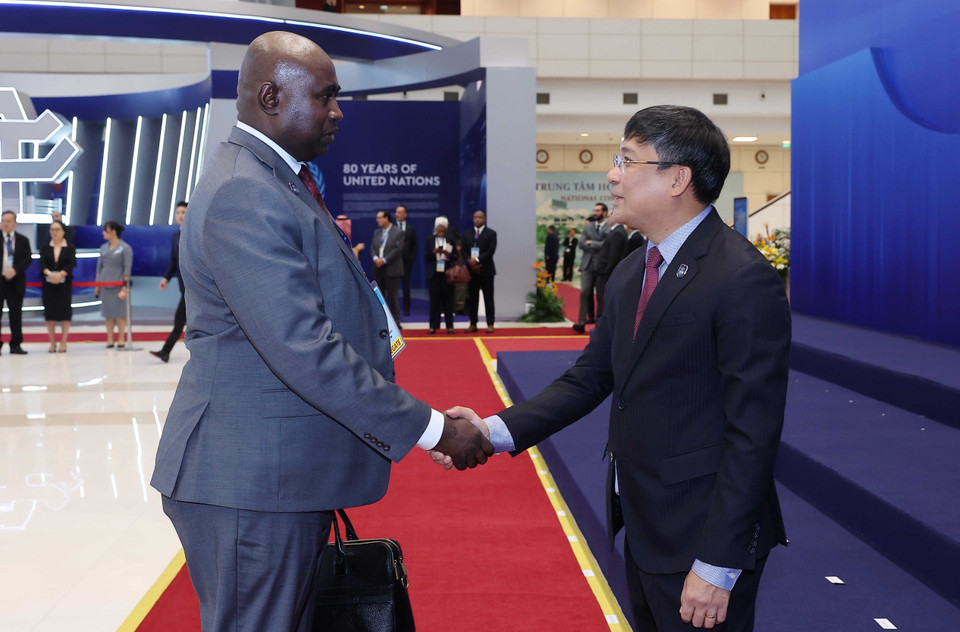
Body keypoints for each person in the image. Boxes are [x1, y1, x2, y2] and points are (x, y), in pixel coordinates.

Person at [149, 31, 491, 632]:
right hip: (250, 483)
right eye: (326, 97)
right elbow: (305, 350)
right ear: (271, 97)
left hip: (275, 477)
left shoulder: (274, 180)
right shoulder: (243, 193)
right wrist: (434, 430)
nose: (338, 113)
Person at [441, 106, 791, 632]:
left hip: (701, 537)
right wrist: (488, 432)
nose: (612, 174)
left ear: (677, 178)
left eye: (626, 161)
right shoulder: (633, 270)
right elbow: (588, 379)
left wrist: (718, 564)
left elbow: (753, 432)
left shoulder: (742, 278)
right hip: (644, 523)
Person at [150, 201, 187, 363]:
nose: (180, 215)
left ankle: (166, 350)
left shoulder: (194, 233)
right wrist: (166, 278)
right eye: (178, 212)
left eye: (184, 212)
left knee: (180, 320)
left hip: (194, 287)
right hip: (183, 286)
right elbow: (174, 260)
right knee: (182, 320)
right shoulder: (176, 236)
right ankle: (166, 351)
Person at [40, 220, 76, 353]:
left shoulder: (70, 247)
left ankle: (64, 342)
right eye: (52, 229)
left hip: (64, 284)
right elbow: (42, 264)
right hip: (48, 285)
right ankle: (52, 342)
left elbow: (71, 264)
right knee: (50, 314)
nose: (54, 232)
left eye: (57, 229)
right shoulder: (45, 248)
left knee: (64, 313)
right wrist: (50, 274)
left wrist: (61, 274)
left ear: (63, 232)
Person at [573, 202, 610, 333]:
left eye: (598, 211)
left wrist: (592, 243)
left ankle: (600, 325)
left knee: (601, 296)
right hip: (587, 265)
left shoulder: (609, 227)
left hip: (601, 267)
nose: (595, 213)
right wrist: (598, 244)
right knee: (584, 293)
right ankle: (581, 322)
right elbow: (581, 244)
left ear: (604, 213)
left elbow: (606, 246)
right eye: (594, 210)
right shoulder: (587, 226)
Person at [96, 221, 133, 348]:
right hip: (105, 284)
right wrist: (98, 285)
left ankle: (121, 338)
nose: (103, 233)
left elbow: (127, 269)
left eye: (105, 230)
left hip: (118, 285)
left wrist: (124, 286)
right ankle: (110, 339)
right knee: (108, 314)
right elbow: (99, 267)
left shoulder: (125, 248)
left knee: (120, 314)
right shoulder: (103, 248)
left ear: (113, 231)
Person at [1, 211, 33, 355]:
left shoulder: (23, 240)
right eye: (3, 221)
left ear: (15, 223)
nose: (5, 223)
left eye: (8, 221)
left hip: (16, 281)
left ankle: (16, 344)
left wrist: (15, 270)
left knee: (16, 314)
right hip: (0, 280)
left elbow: (28, 259)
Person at [461, 209, 497, 334]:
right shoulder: (467, 234)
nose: (478, 219)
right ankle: (473, 324)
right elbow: (464, 251)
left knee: (488, 298)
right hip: (472, 272)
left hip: (486, 270)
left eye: (480, 217)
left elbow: (491, 251)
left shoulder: (491, 233)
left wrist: (476, 259)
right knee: (472, 298)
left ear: (484, 219)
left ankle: (490, 324)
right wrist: (469, 260)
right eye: (475, 217)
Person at [370, 209, 403, 326]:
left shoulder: (398, 232)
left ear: (386, 218)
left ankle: (396, 322)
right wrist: (376, 259)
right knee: (379, 297)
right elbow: (373, 248)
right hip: (378, 269)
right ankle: (381, 322)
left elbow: (397, 250)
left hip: (392, 269)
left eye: (379, 218)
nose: (377, 220)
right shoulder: (377, 232)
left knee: (393, 297)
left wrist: (384, 260)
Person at [424, 220, 456, 334]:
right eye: (439, 231)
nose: (441, 233)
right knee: (434, 301)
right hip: (434, 273)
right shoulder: (430, 240)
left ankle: (450, 326)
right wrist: (434, 252)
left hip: (447, 273)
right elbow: (426, 257)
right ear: (436, 230)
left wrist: (447, 254)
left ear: (446, 230)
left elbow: (455, 256)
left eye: (443, 231)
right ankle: (433, 326)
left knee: (448, 300)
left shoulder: (451, 240)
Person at [594, 221, 628, 319]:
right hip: (606, 273)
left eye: (610, 215)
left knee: (604, 301)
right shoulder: (617, 231)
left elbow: (614, 256)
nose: (609, 218)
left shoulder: (618, 232)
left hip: (606, 274)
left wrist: (605, 271)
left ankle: (601, 327)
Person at [395, 204, 417, 316]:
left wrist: (411, 259)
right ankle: (393, 310)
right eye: (396, 212)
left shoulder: (410, 229)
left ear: (405, 214)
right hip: (393, 263)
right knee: (392, 288)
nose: (397, 214)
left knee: (406, 287)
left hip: (406, 263)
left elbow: (414, 246)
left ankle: (406, 308)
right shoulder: (391, 227)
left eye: (400, 212)